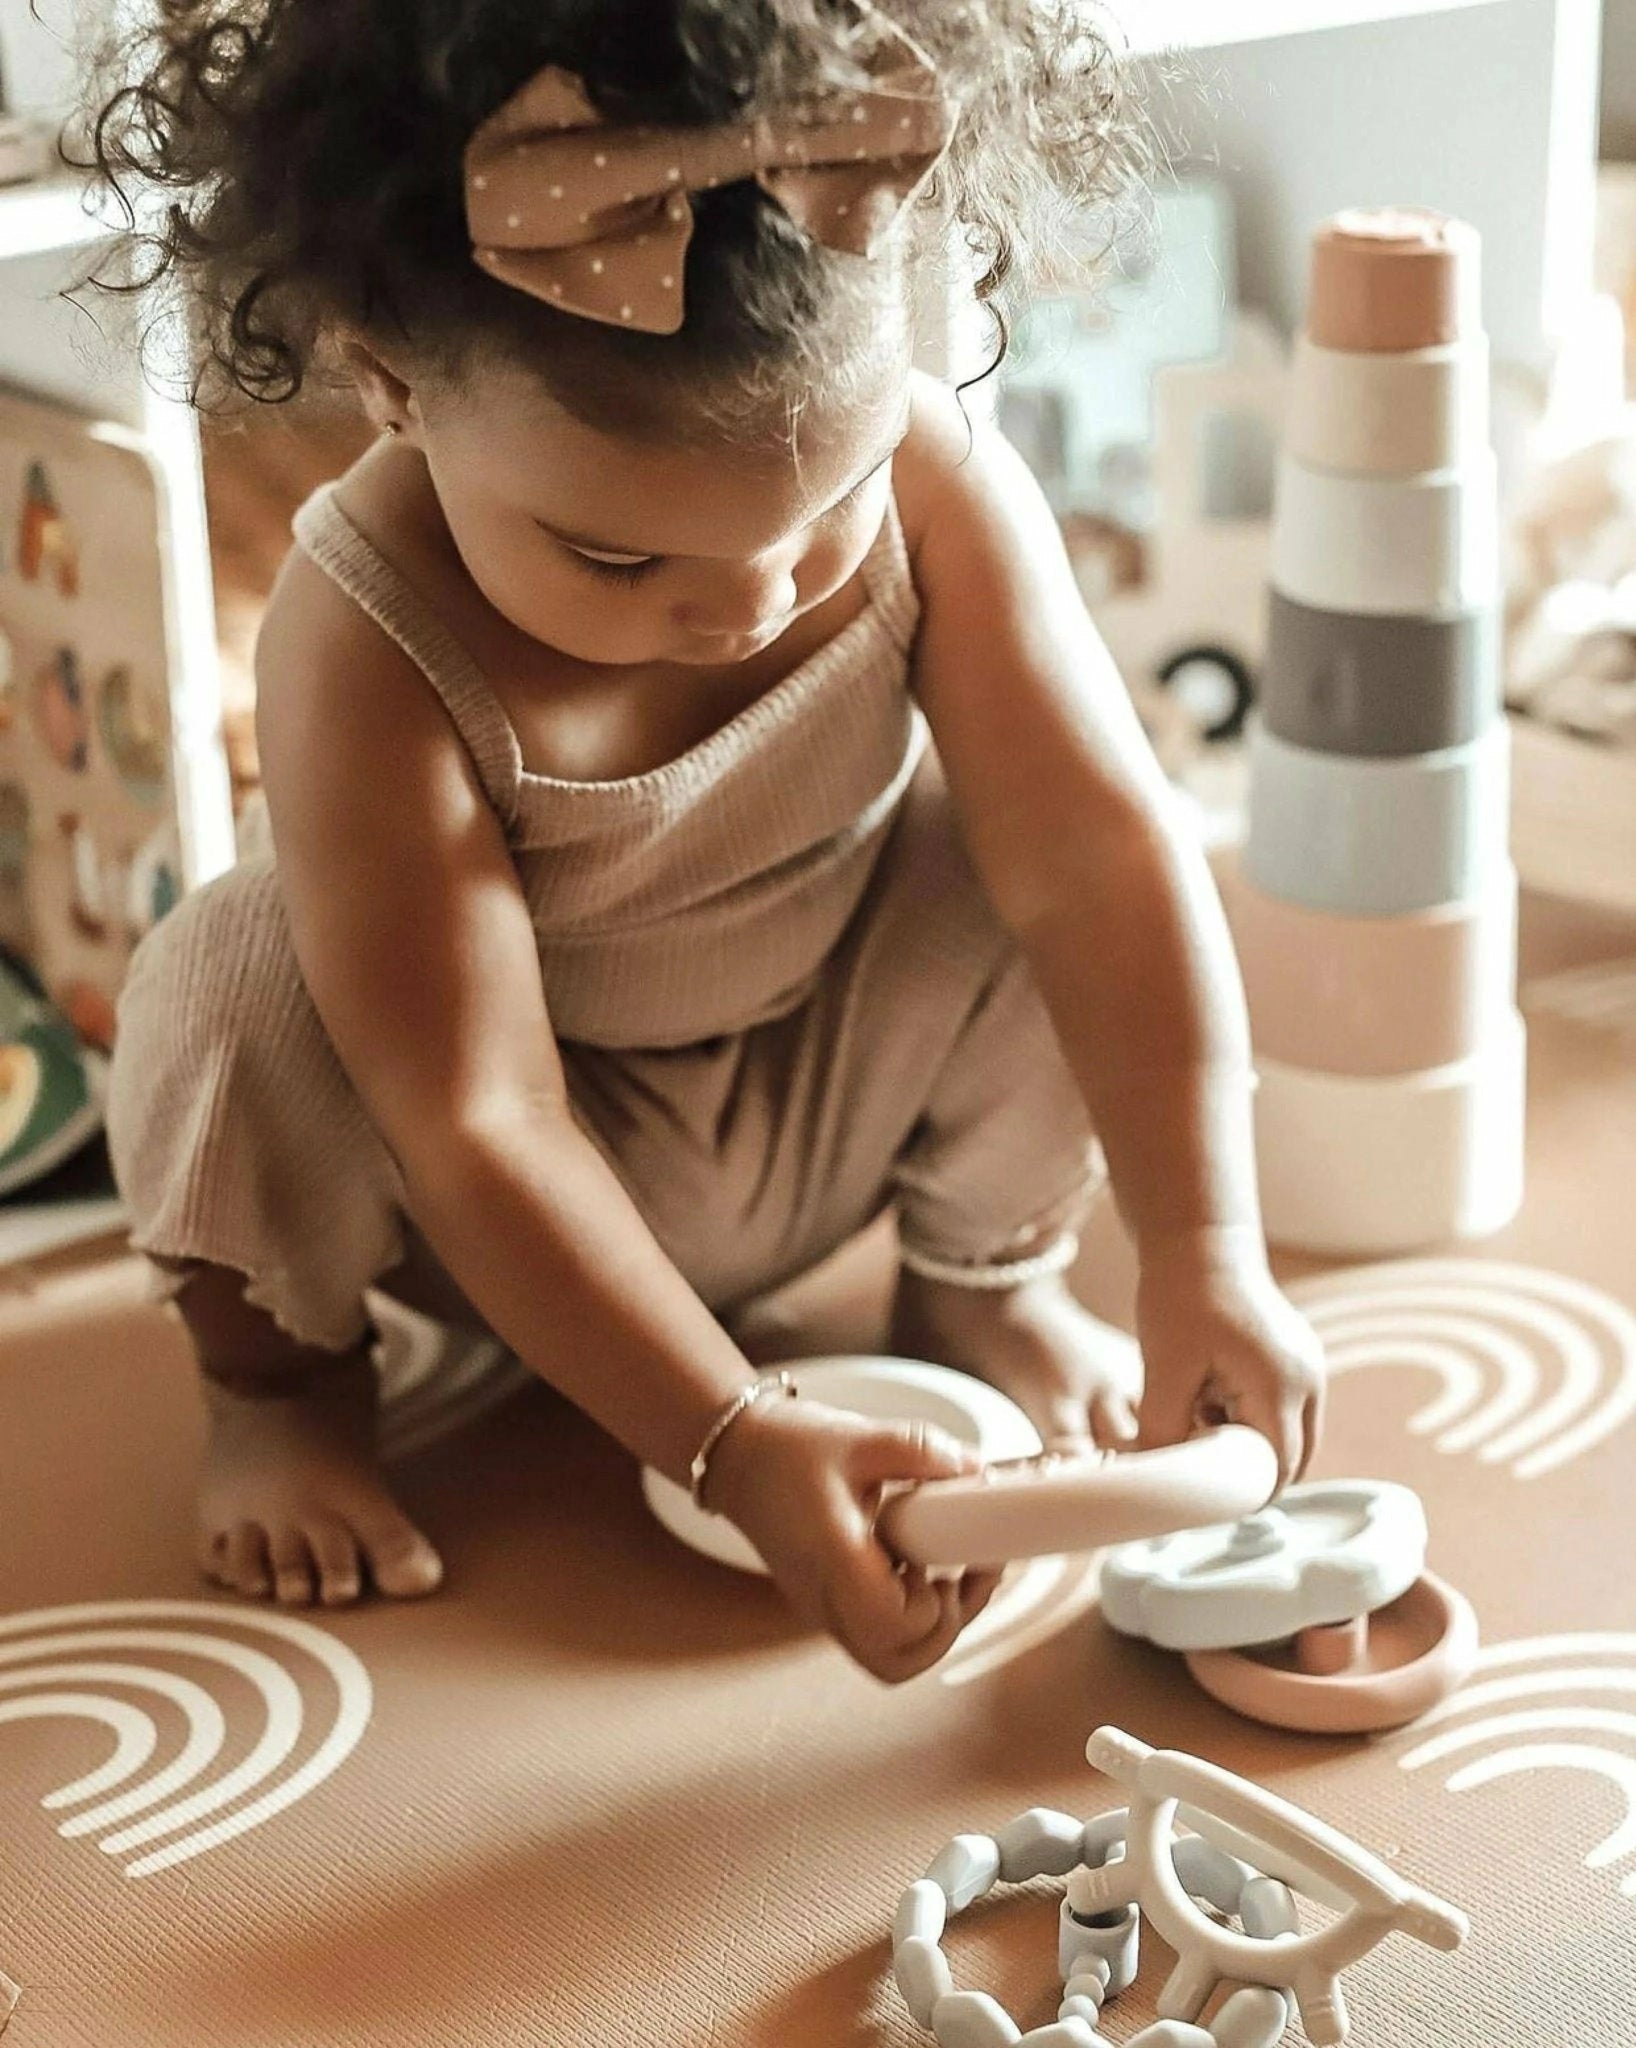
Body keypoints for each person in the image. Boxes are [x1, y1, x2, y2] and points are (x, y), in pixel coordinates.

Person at [92, 0, 1324, 1683]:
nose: (747, 607)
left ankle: (983, 1280)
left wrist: (1204, 1248)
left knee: (1062, 852)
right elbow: (477, 1114)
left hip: (831, 1076)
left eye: (828, 513)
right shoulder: (360, 637)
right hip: (511, 1185)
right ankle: (283, 1394)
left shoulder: (940, 479)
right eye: (611, 560)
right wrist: (727, 1435)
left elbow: (1099, 866)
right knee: (226, 976)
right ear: (391, 388)